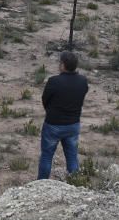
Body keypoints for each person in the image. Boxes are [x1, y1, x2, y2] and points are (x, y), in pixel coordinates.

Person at [38, 51, 88, 180]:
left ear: (63, 65)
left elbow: (45, 99)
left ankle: (41, 185)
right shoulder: (83, 81)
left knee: (47, 156)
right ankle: (75, 184)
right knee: (72, 157)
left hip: (53, 124)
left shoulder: (54, 81)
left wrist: (51, 111)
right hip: (73, 124)